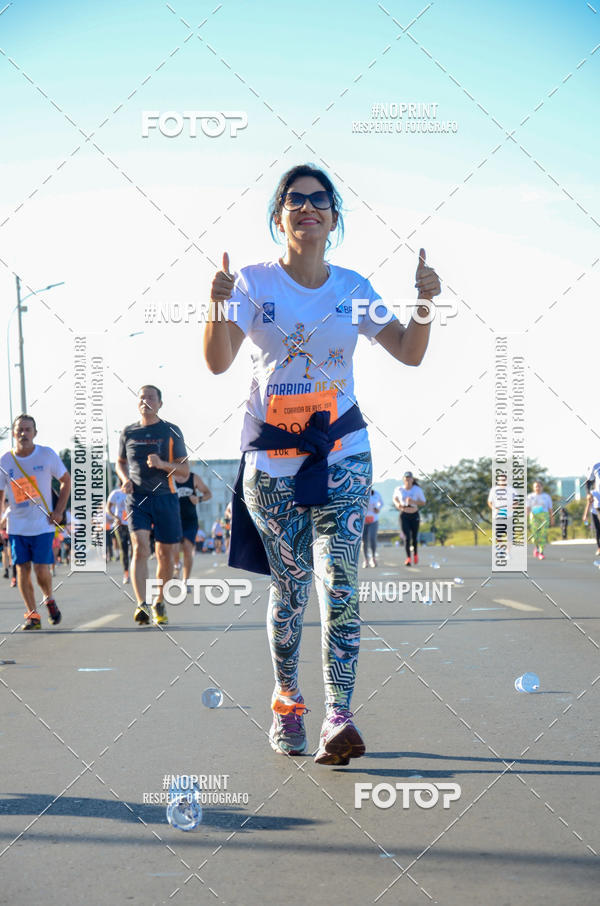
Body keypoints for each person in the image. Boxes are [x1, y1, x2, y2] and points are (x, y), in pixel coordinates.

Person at [204, 163, 440, 766]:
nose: (308, 207)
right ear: (279, 215)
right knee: (291, 591)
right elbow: (217, 361)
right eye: (295, 200)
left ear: (334, 218)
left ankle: (339, 716)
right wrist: (217, 306)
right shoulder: (253, 284)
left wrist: (424, 303)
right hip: (273, 462)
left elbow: (409, 354)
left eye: (319, 200)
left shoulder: (353, 287)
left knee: (340, 584)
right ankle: (288, 701)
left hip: (342, 452)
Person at [116, 385, 189, 626]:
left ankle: (159, 601)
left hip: (166, 497)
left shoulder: (171, 430)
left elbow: (184, 470)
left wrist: (162, 464)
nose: (145, 400)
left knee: (166, 555)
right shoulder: (128, 432)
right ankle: (142, 604)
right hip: (138, 499)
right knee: (139, 548)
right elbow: (120, 462)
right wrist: (125, 480)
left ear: (159, 403)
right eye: (141, 397)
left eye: (150, 397)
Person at [0, 415, 71, 629]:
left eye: (28, 429)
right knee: (21, 568)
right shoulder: (5, 460)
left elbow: (66, 481)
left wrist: (59, 511)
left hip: (43, 523)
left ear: (35, 433)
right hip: (17, 524)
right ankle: (32, 614)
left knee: (41, 569)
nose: (23, 433)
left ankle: (49, 598)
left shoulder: (46, 455)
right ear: (13, 433)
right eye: (19, 430)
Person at [176, 471, 212, 589]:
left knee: (187, 548)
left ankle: (185, 581)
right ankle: (177, 565)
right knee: (174, 549)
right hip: (174, 519)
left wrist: (199, 499)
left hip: (190, 521)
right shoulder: (169, 478)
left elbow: (208, 494)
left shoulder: (194, 478)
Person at [393, 472, 426, 565]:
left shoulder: (417, 489)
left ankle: (415, 554)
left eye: (409, 478)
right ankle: (408, 558)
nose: (408, 480)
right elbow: (395, 498)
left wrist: (413, 501)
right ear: (403, 480)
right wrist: (398, 504)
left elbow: (423, 502)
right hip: (404, 515)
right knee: (407, 537)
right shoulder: (399, 489)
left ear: (412, 479)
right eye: (406, 478)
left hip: (414, 514)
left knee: (414, 537)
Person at [106, 486, 132, 584]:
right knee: (124, 549)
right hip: (120, 526)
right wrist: (115, 517)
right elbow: (107, 508)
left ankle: (134, 571)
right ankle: (126, 574)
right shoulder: (116, 493)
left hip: (133, 524)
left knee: (135, 549)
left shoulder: (135, 492)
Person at [526, 480, 554, 559]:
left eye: (539, 486)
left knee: (543, 534)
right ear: (533, 488)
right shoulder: (530, 496)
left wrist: (552, 519)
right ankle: (536, 547)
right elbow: (527, 508)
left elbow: (550, 509)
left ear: (542, 487)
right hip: (534, 517)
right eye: (536, 486)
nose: (537, 488)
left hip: (544, 516)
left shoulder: (546, 496)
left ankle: (541, 551)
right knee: (535, 535)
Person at [362, 487, 383, 567]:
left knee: (372, 538)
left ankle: (373, 558)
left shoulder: (376, 493)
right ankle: (366, 560)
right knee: (364, 541)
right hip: (363, 521)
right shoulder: (360, 493)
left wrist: (378, 508)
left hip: (374, 520)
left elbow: (381, 503)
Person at [583, 490, 600, 555]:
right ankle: (599, 548)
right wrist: (585, 515)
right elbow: (588, 504)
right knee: (598, 530)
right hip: (595, 513)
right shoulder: (593, 492)